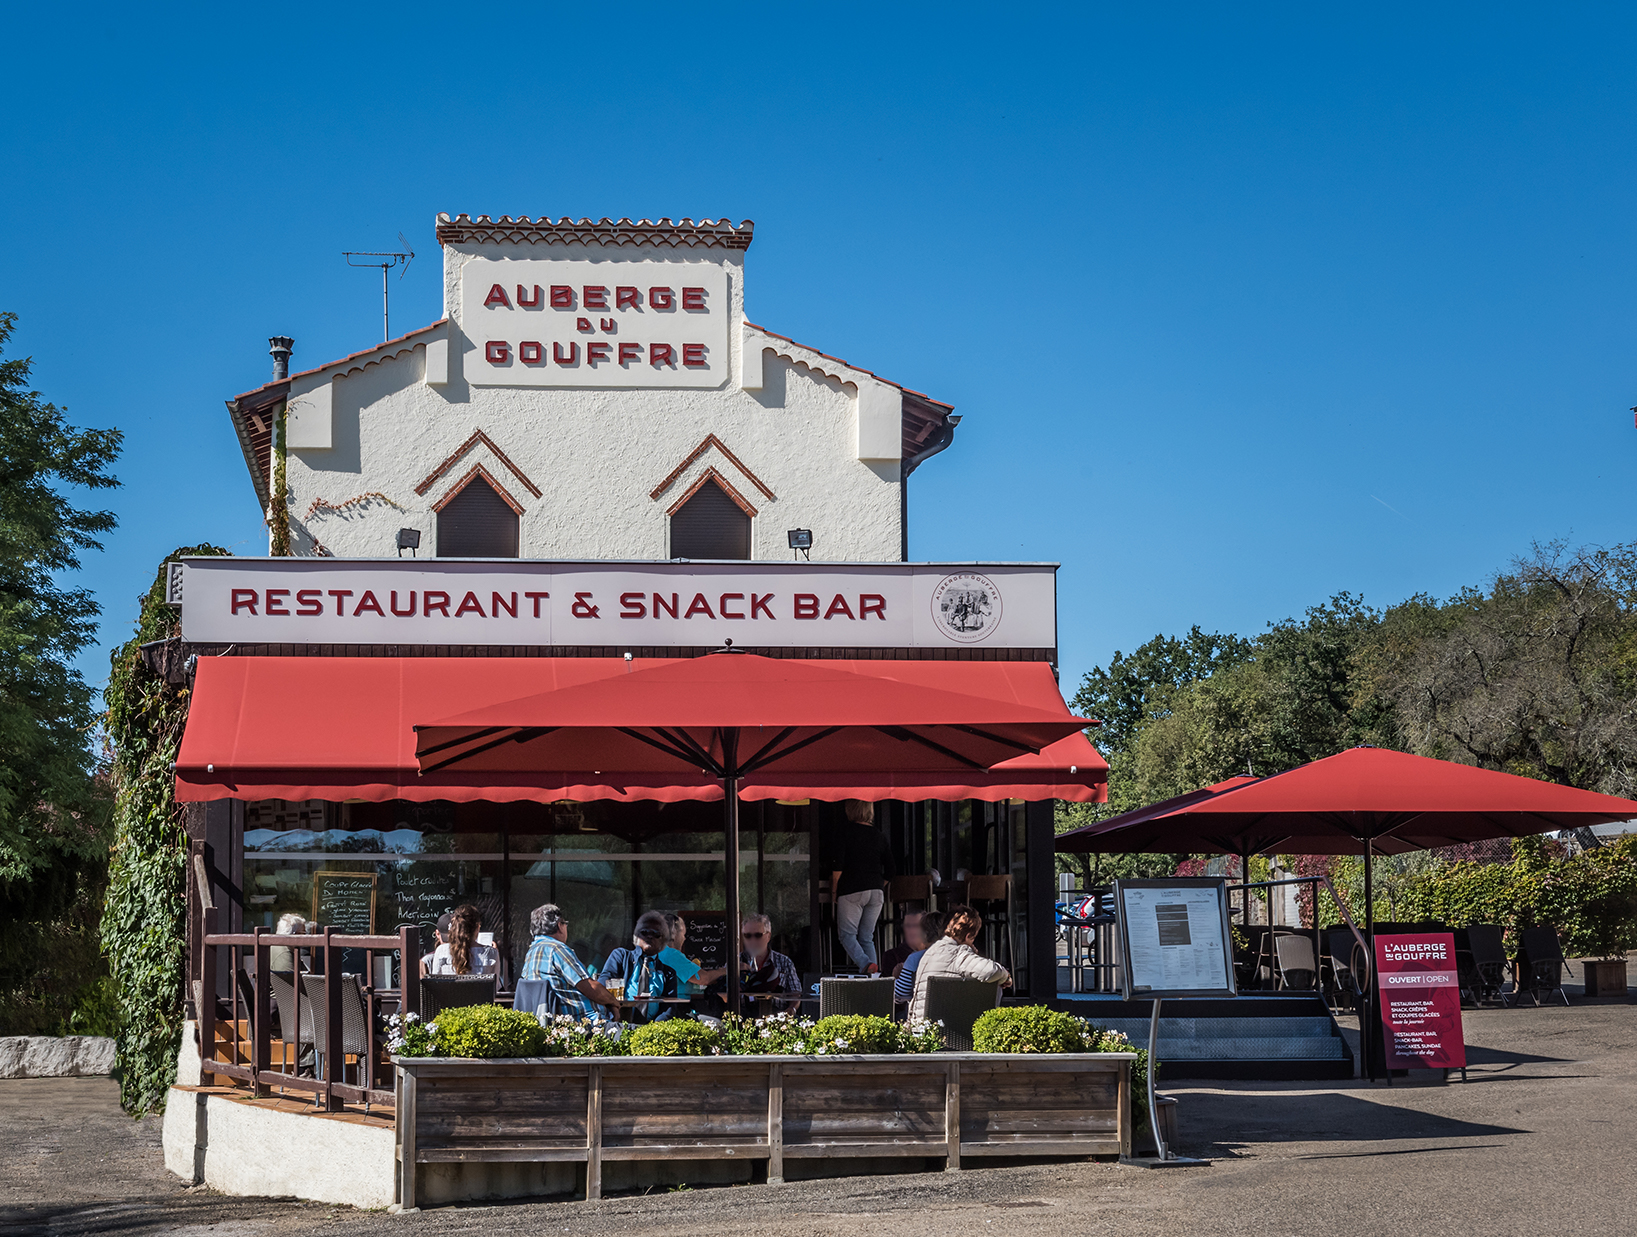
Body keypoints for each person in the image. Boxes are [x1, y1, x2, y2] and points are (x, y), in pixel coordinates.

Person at [908, 904, 1010, 1023]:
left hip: (921, 1028)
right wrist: (1005, 977)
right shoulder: (958, 953)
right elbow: (991, 971)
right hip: (948, 1031)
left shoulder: (930, 952)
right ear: (968, 936)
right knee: (994, 982)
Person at [519, 903, 617, 1021]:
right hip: (583, 1025)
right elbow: (589, 987)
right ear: (560, 926)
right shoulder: (557, 949)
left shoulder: (531, 952)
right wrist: (613, 1002)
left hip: (551, 1025)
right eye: (565, 924)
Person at [828, 799, 894, 974]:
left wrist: (834, 890)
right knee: (867, 937)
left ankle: (865, 964)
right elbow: (891, 869)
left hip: (852, 889)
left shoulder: (845, 833)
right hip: (876, 893)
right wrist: (878, 884)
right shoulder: (879, 835)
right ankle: (873, 981)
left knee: (847, 935)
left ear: (849, 810)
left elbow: (838, 867)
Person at [599, 911, 681, 1021]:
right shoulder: (621, 956)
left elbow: (669, 1008)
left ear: (663, 941)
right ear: (637, 937)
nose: (650, 936)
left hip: (652, 1028)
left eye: (656, 934)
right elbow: (603, 984)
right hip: (620, 1023)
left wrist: (653, 1030)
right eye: (644, 932)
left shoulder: (668, 973)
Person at [735, 913, 802, 1014]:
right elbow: (723, 993)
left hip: (776, 1019)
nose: (752, 940)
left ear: (768, 936)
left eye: (758, 935)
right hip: (742, 1020)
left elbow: (796, 994)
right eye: (747, 935)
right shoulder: (735, 963)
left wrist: (791, 1010)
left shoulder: (784, 962)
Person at [660, 912, 726, 995]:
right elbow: (705, 979)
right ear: (675, 934)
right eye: (683, 934)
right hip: (676, 1005)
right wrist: (728, 970)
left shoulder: (660, 952)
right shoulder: (672, 955)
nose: (684, 939)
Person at [427, 904, 500, 977]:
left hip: (449, 988)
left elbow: (435, 983)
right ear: (477, 927)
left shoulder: (442, 951)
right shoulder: (490, 953)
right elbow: (495, 986)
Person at [892, 910, 945, 1007]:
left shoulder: (915, 958)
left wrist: (896, 977)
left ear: (925, 934)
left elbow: (899, 994)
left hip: (923, 1015)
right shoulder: (961, 955)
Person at [880, 910, 928, 979]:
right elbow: (885, 986)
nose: (911, 930)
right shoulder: (891, 956)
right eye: (908, 926)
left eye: (916, 925)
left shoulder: (933, 953)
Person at [419, 911, 453, 979]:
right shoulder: (426, 961)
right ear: (437, 934)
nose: (449, 944)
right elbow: (421, 988)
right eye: (446, 941)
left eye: (455, 940)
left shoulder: (469, 957)